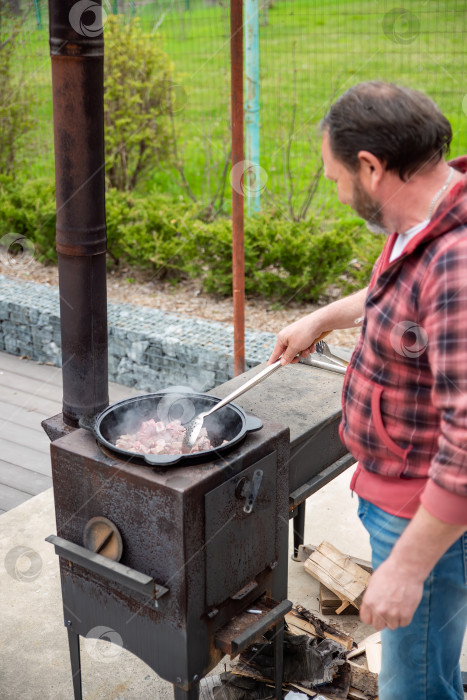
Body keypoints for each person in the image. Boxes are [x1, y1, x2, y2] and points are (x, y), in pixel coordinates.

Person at [268, 82, 467, 700]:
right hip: (396, 491)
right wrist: (325, 317)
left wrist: (407, 568)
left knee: (410, 689)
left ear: (372, 168)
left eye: (335, 178)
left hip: (419, 516)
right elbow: (402, 304)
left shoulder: (454, 265)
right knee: (429, 664)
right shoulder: (427, 215)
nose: (335, 189)